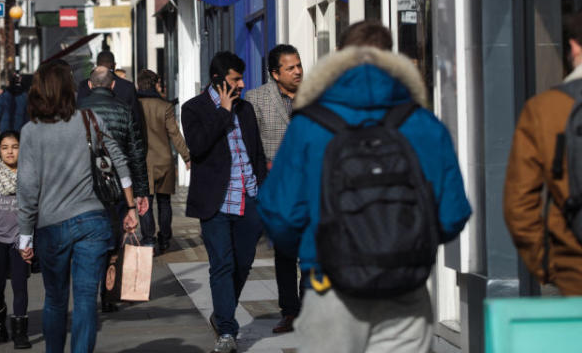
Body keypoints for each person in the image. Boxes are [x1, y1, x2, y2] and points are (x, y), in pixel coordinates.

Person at [258, 21, 472, 353]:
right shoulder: (423, 124)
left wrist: (312, 248)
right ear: (392, 59)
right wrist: (404, 241)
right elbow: (453, 214)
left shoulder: (309, 125)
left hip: (329, 286)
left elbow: (280, 214)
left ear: (340, 58)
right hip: (404, 290)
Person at [504, 2, 582, 296]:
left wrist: (550, 265)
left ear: (574, 48)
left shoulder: (545, 109)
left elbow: (519, 205)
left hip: (580, 275)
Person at [17, 60, 139, 353]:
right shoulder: (89, 119)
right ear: (69, 89)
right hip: (91, 221)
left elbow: (28, 187)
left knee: (56, 300)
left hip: (51, 225)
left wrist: (24, 235)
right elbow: (120, 162)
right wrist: (131, 206)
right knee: (86, 300)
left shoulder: (30, 132)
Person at [181, 51, 267, 353]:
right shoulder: (193, 109)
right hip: (216, 203)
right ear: (218, 81)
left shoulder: (246, 109)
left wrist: (262, 193)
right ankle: (228, 332)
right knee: (222, 265)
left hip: (249, 197)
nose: (242, 84)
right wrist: (223, 112)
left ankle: (222, 312)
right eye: (235, 79)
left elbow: (255, 152)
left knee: (243, 263)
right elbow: (198, 147)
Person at [243, 44, 305, 334]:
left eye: (299, 65)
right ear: (275, 73)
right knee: (285, 254)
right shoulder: (256, 99)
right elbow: (251, 148)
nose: (298, 71)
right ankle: (290, 312)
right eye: (290, 68)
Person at [78, 66, 150, 312]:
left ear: (89, 85)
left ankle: (87, 294)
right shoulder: (124, 109)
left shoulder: (78, 110)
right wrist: (141, 191)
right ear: (112, 86)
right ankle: (109, 295)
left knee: (89, 241)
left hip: (85, 185)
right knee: (116, 239)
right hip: (118, 185)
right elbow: (136, 152)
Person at [136, 69, 190, 254]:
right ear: (155, 84)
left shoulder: (135, 106)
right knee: (165, 202)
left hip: (143, 162)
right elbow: (174, 133)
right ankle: (165, 238)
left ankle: (148, 239)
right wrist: (186, 156)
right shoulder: (164, 106)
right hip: (164, 160)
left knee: (146, 202)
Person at [0, 132, 32, 348]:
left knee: (20, 286)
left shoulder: (29, 173)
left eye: (15, 147)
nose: (10, 151)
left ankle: (20, 332)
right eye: (5, 147)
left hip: (19, 241)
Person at [77, 50, 145, 142]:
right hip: (122, 143)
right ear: (114, 65)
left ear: (97, 64)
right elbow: (136, 120)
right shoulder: (127, 87)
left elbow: (79, 116)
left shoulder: (84, 85)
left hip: (93, 142)